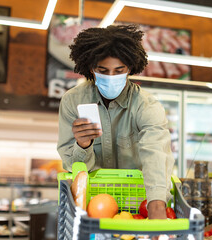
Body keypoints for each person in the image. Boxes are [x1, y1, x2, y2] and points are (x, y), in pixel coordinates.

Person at [57, 24, 175, 219]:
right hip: (90, 205)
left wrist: (156, 207)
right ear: (90, 68)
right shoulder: (73, 101)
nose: (111, 77)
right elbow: (73, 168)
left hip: (137, 203)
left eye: (119, 70)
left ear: (130, 68)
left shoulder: (146, 106)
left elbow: (156, 154)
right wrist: (82, 145)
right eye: (102, 70)